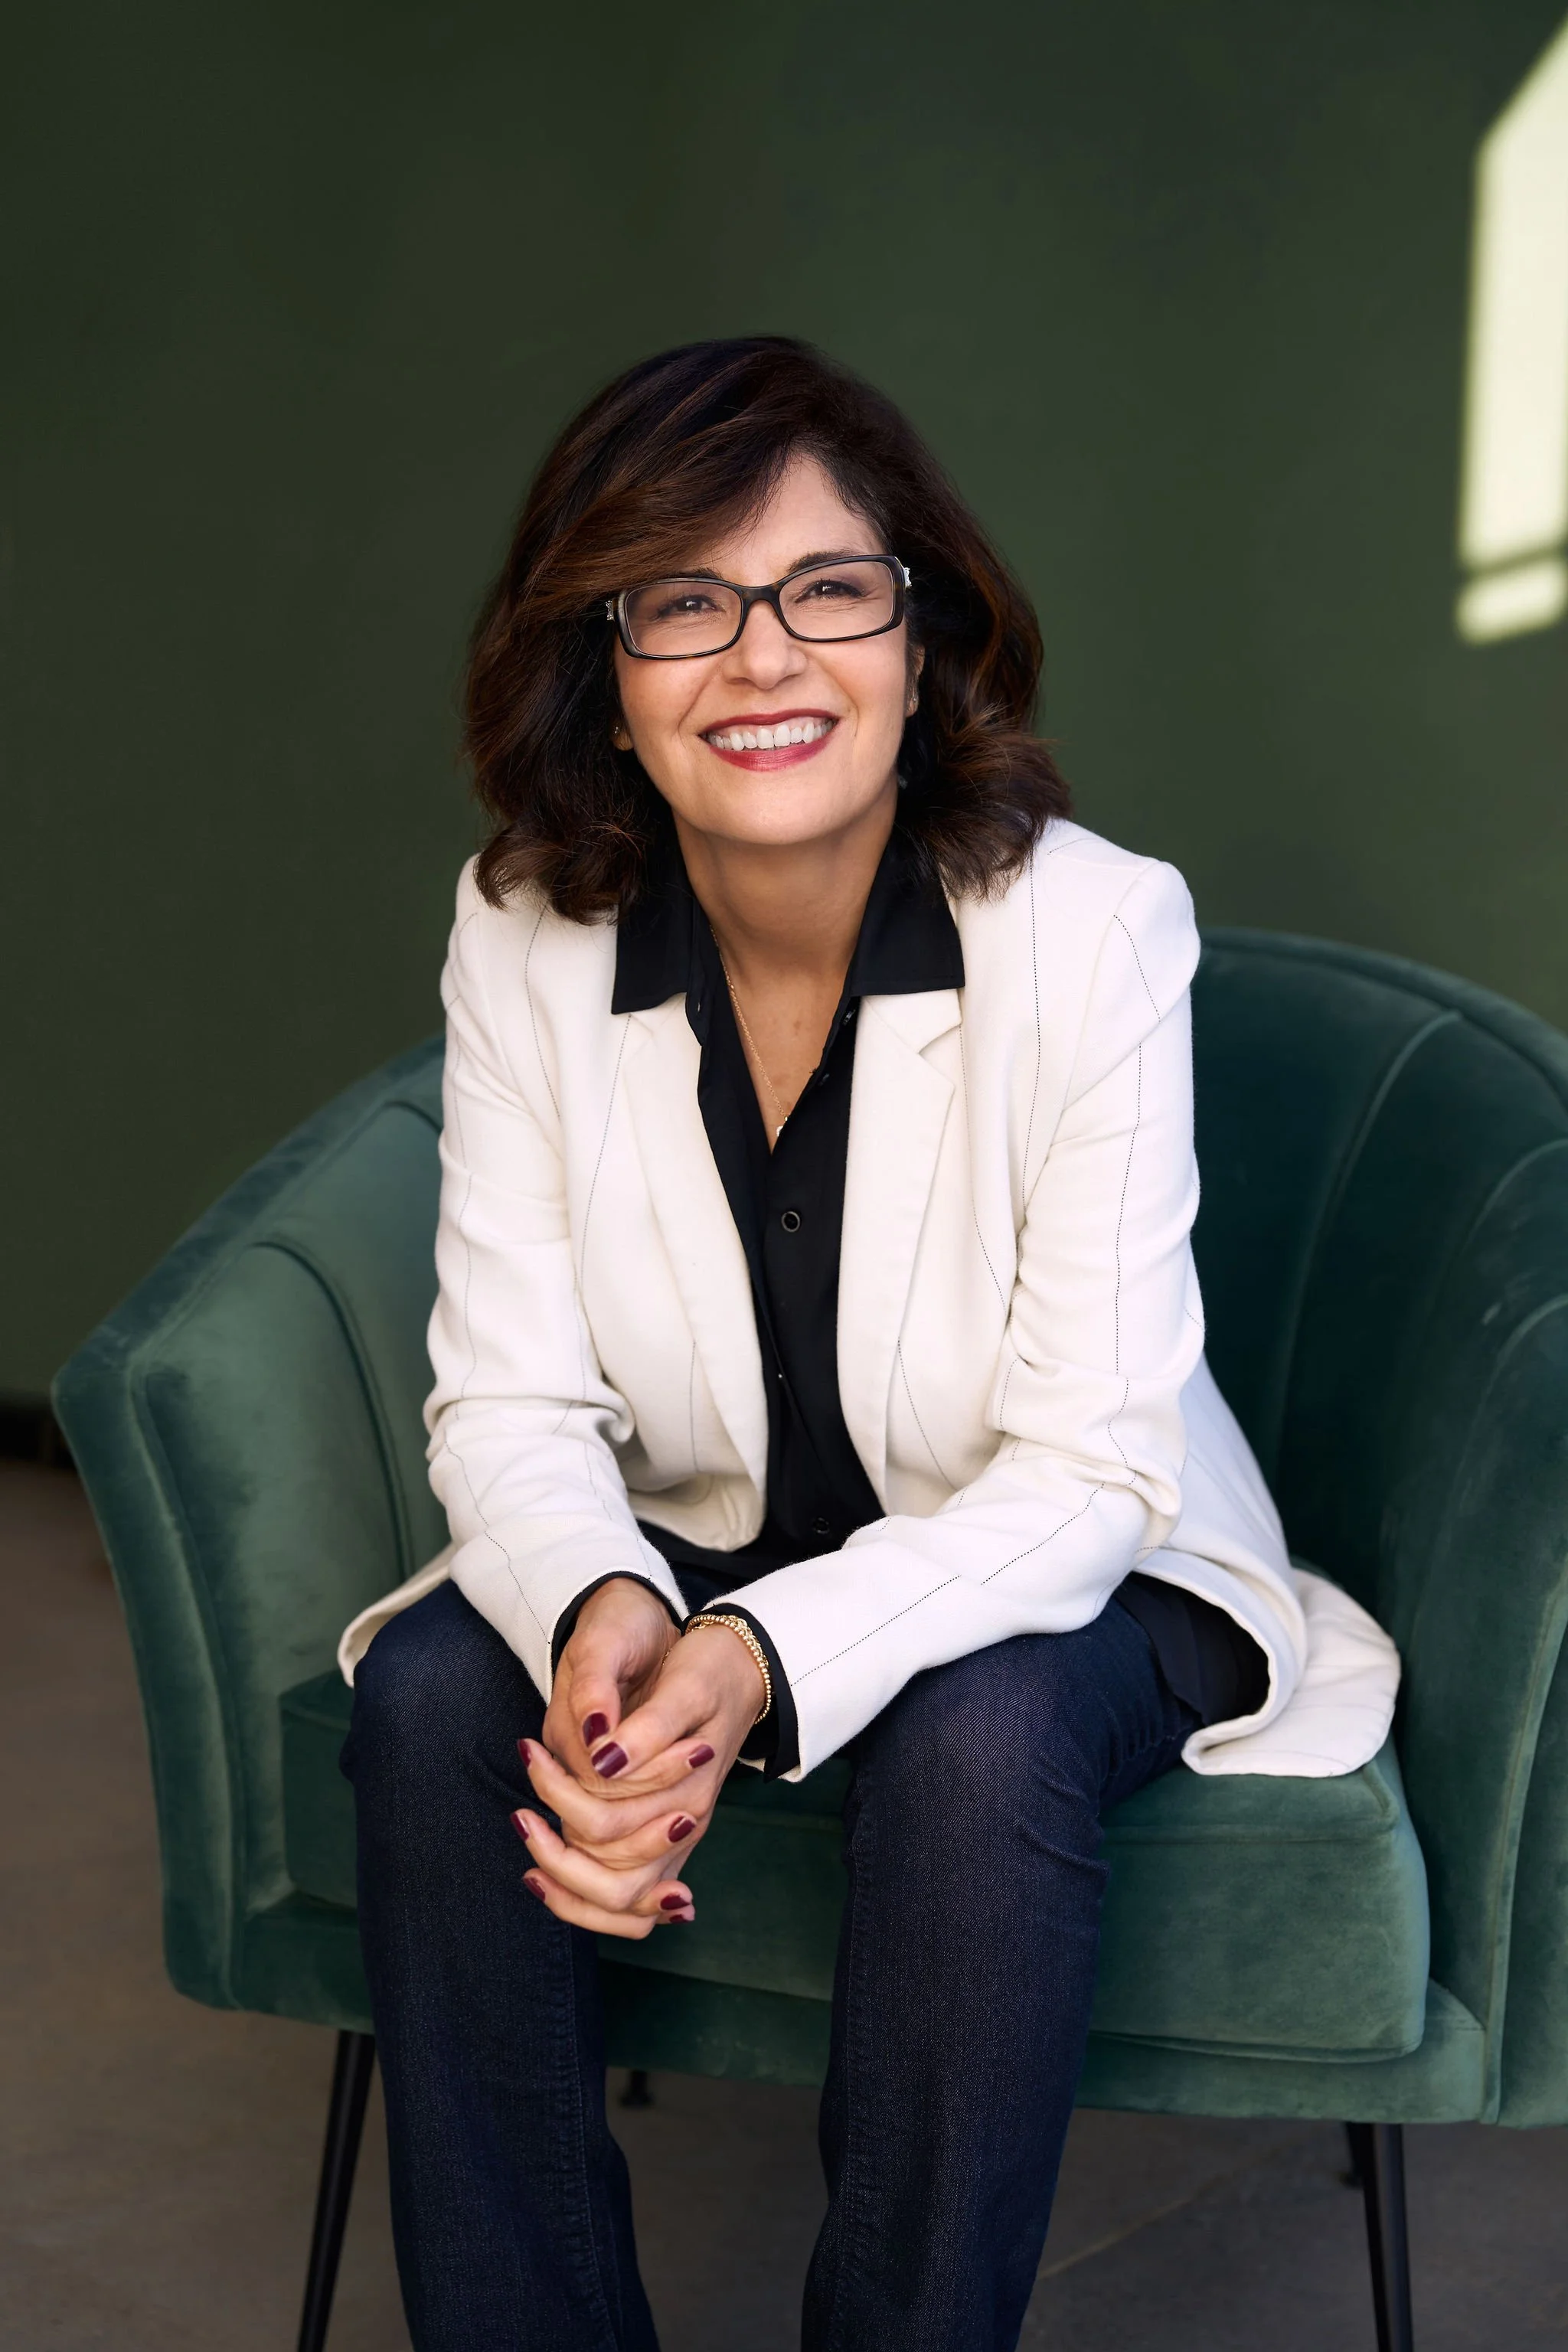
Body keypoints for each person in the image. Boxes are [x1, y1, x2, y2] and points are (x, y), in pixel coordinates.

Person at [340, 336, 1398, 2352]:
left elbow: (1088, 1475)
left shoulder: (1089, 931)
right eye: (682, 601)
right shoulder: (527, 925)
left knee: (975, 1738)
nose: (766, 660)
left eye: (832, 589)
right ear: (602, 669)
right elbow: (510, 1399)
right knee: (429, 1707)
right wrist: (594, 1617)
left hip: (1078, 1540)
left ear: (923, 636)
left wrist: (750, 1658)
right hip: (705, 1519)